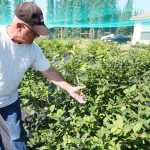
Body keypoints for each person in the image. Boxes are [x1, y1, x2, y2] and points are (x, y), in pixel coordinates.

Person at [0, 2, 85, 150]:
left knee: (17, 139)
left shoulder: (32, 49)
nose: (37, 36)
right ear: (19, 26)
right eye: (34, 32)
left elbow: (48, 70)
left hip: (9, 101)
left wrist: (69, 88)